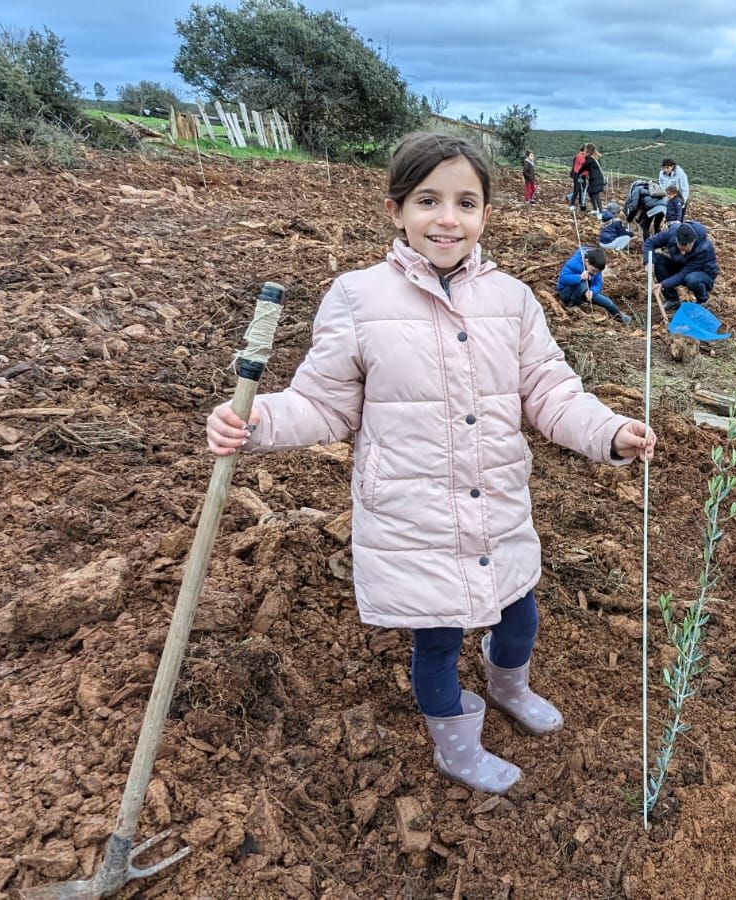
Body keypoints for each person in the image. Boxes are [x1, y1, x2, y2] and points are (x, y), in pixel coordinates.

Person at [205, 133, 658, 794]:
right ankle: (456, 746)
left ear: (484, 216)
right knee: (439, 640)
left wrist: (611, 433)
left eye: (465, 202)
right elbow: (323, 404)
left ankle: (509, 689)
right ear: (396, 210)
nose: (448, 218)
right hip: (411, 516)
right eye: (428, 200)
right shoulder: (358, 299)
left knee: (520, 613)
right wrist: (257, 422)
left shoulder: (513, 300)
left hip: (498, 502)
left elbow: (552, 392)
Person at [643, 221, 717, 312]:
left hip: (703, 274)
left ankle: (702, 301)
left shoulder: (704, 249)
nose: (682, 253)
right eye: (680, 249)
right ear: (676, 240)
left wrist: (663, 284)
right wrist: (649, 261)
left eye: (686, 250)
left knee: (692, 279)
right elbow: (649, 243)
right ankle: (672, 299)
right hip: (680, 266)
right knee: (658, 259)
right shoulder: (671, 233)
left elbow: (682, 275)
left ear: (693, 242)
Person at [556, 246, 632, 324]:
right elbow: (562, 278)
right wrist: (579, 277)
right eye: (593, 270)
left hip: (584, 292)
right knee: (583, 283)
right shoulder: (574, 262)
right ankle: (572, 306)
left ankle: (621, 317)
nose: (595, 273)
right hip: (566, 293)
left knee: (607, 302)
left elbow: (598, 283)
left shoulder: (596, 267)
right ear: (586, 261)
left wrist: (592, 291)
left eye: (598, 272)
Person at [582, 146, 607, 214]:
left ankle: (600, 212)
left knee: (595, 194)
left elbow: (584, 167)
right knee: (591, 192)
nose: (583, 151)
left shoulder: (590, 159)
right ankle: (595, 209)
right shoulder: (594, 158)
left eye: (585, 150)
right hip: (596, 179)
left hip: (596, 179)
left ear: (588, 151)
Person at [568, 144, 589, 210]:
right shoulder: (579, 156)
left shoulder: (584, 156)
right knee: (577, 190)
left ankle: (581, 203)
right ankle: (572, 204)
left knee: (582, 190)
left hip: (583, 175)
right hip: (577, 175)